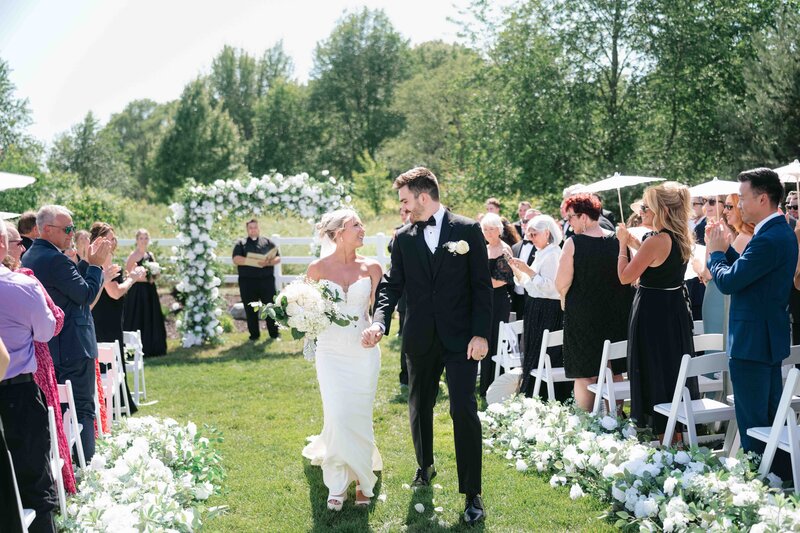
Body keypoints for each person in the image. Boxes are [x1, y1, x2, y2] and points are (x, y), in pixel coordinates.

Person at [363, 167, 492, 525]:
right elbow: (391, 286)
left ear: (423, 196)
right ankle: (425, 465)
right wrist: (379, 320)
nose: (403, 208)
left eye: (405, 200)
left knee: (464, 410)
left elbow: (481, 286)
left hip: (462, 339)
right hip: (420, 336)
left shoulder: (467, 230)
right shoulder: (403, 238)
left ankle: (472, 492)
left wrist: (480, 334)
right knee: (419, 404)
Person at [707, 167, 797, 460]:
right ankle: (776, 475)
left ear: (763, 199)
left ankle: (758, 481)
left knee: (755, 421)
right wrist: (726, 251)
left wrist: (717, 254)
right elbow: (749, 273)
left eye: (743, 198)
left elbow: (730, 281)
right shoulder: (776, 231)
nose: (739, 204)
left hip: (753, 341)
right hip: (764, 337)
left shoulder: (770, 237)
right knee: (768, 417)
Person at [302, 209, 383, 511]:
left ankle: (363, 479)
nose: (363, 229)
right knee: (336, 414)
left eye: (362, 224)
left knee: (359, 414)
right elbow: (306, 308)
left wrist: (376, 329)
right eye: (356, 225)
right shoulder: (317, 269)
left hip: (363, 351)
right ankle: (337, 482)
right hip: (331, 351)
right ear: (338, 234)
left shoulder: (373, 267)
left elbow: (381, 309)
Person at [22, 204, 111, 462]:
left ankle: (68, 463)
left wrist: (84, 263)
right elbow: (85, 294)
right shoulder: (56, 259)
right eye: (67, 229)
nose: (72, 233)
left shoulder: (31, 256)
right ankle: (85, 465)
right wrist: (95, 267)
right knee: (82, 408)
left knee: (60, 408)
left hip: (52, 345)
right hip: (73, 345)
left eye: (73, 227)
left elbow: (71, 287)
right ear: (47, 230)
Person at [618, 183, 697, 436]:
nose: (641, 212)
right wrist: (634, 243)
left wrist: (622, 245)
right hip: (674, 311)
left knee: (653, 366)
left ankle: (664, 432)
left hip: (652, 311)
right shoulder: (680, 237)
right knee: (671, 366)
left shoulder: (654, 241)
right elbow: (656, 263)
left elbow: (624, 277)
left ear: (661, 210)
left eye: (645, 207)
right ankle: (675, 432)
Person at [3, 225, 77, 494]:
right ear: (3, 245)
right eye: (17, 242)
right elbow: (50, 326)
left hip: (28, 368)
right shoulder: (24, 281)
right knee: (34, 453)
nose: (23, 247)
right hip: (26, 372)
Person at [0, 218, 59, 533]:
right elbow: (46, 331)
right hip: (18, 392)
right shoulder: (22, 285)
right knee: (34, 476)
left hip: (16, 391)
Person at [555, 194, 633, 412]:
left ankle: (586, 422)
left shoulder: (574, 243)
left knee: (584, 372)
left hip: (583, 316)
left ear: (583, 217)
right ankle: (614, 418)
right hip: (616, 312)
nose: (569, 223)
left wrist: (564, 296)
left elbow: (561, 282)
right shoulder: (619, 239)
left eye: (571, 218)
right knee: (614, 369)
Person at [509, 215, 571, 401]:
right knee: (533, 351)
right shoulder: (543, 251)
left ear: (547, 233)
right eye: (529, 234)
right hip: (535, 305)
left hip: (547, 308)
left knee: (543, 353)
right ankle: (532, 393)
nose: (530, 238)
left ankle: (543, 395)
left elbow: (551, 287)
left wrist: (527, 271)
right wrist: (518, 272)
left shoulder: (552, 253)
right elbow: (531, 285)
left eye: (534, 234)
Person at [89, 222, 147, 414]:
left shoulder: (104, 257)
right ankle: (113, 405)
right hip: (106, 315)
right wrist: (133, 278)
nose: (113, 242)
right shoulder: (103, 259)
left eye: (113, 238)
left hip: (112, 314)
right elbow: (114, 292)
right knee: (110, 358)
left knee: (116, 356)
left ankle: (118, 402)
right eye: (109, 238)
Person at [479, 213, 514, 398]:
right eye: (485, 229)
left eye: (491, 229)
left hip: (498, 300)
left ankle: (495, 386)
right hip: (484, 299)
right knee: (484, 337)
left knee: (495, 339)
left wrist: (478, 282)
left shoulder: (505, 249)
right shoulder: (484, 248)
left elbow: (503, 280)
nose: (488, 233)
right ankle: (484, 384)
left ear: (499, 230)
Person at [232, 219, 281, 341]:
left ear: (258, 228)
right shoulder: (241, 244)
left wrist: (267, 262)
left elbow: (278, 258)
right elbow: (236, 259)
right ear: (247, 229)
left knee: (270, 307)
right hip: (248, 282)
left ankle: (274, 334)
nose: (253, 230)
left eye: (255, 227)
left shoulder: (267, 242)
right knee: (250, 309)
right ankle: (254, 335)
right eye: (250, 228)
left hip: (266, 281)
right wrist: (254, 262)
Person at [124, 228, 167, 356]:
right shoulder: (133, 256)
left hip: (149, 291)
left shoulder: (150, 255)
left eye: (146, 238)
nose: (143, 241)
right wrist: (140, 277)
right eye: (141, 238)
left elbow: (156, 275)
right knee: (138, 318)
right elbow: (127, 275)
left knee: (151, 317)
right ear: (137, 240)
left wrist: (154, 275)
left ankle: (154, 347)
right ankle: (134, 350)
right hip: (137, 292)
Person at [387, 207, 411, 388]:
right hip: (405, 294)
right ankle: (405, 376)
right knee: (405, 335)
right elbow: (390, 248)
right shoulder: (399, 232)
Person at [510, 209, 538, 318]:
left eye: (532, 220)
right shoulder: (515, 247)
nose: (528, 224)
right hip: (516, 299)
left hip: (534, 300)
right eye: (525, 221)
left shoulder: (545, 249)